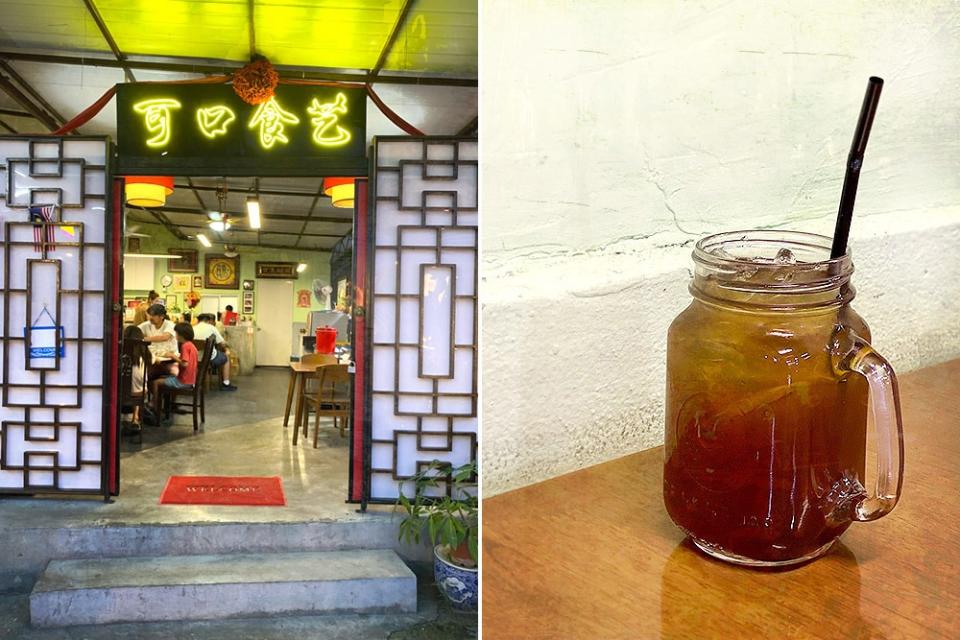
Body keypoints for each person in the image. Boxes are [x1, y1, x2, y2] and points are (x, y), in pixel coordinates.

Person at [150, 322, 199, 421]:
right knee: (165, 377)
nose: (175, 336)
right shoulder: (192, 346)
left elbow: (185, 364)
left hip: (183, 381)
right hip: (190, 380)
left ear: (181, 335)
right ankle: (164, 407)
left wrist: (173, 356)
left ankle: (155, 408)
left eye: (176, 334)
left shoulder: (185, 346)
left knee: (155, 382)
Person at [193, 313, 238, 391]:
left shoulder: (193, 328)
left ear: (198, 320)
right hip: (208, 358)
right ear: (209, 320)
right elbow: (222, 343)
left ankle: (195, 382)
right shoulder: (211, 328)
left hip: (195, 358)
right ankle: (226, 383)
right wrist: (227, 348)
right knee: (226, 357)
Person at [120, 325, 150, 435]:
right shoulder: (144, 356)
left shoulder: (120, 355)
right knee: (142, 387)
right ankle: (135, 417)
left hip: (121, 393)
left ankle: (124, 416)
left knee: (127, 385)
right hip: (138, 393)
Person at [139, 303, 179, 379]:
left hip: (168, 361)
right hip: (154, 359)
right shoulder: (146, 325)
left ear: (162, 316)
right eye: (149, 315)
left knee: (147, 373)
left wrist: (145, 339)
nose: (150, 317)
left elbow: (164, 337)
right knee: (142, 372)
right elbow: (135, 332)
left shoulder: (170, 325)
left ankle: (149, 387)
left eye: (153, 315)